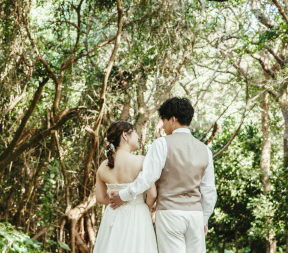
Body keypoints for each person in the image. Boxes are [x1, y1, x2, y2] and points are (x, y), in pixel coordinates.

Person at [109, 97, 217, 253]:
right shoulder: (205, 150)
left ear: (173, 119)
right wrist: (204, 219)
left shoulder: (161, 144)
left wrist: (123, 195)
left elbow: (147, 178)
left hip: (169, 214)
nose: (163, 125)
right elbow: (210, 191)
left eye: (163, 120)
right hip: (195, 216)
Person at [93, 120, 158, 253]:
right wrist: (146, 207)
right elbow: (152, 195)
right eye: (135, 133)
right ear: (125, 135)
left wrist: (115, 202)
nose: (138, 137)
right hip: (138, 216)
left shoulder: (103, 166)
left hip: (113, 214)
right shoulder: (141, 161)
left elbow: (100, 197)